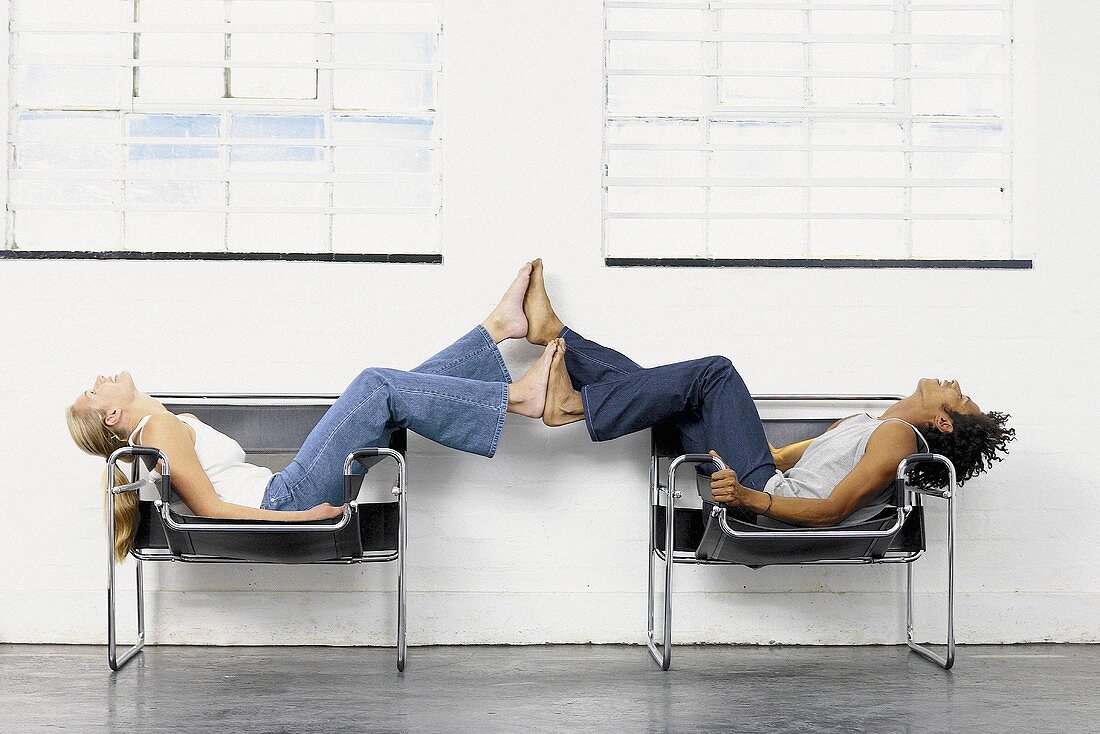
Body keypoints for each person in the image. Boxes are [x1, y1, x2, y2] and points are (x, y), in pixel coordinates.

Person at [68, 263, 557, 562]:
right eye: (92, 393)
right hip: (285, 499)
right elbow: (210, 511)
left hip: (286, 488)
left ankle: (498, 329)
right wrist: (302, 519)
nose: (98, 380)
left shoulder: (161, 425)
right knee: (375, 385)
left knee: (390, 395)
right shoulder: (158, 430)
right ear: (112, 416)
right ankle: (518, 397)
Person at [523, 259, 1015, 527]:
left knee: (714, 373)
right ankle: (555, 337)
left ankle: (572, 402)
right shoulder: (869, 425)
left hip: (764, 498)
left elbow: (832, 511)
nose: (952, 382)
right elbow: (780, 457)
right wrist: (737, 442)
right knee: (668, 390)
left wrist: (748, 496)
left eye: (960, 395)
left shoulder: (900, 440)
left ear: (945, 422)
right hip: (758, 475)